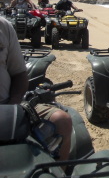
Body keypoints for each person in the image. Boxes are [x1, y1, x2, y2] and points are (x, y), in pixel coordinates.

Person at [0, 16, 72, 162]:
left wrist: (14, 106)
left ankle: (59, 171)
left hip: (9, 103)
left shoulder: (3, 26)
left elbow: (19, 73)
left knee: (62, 120)